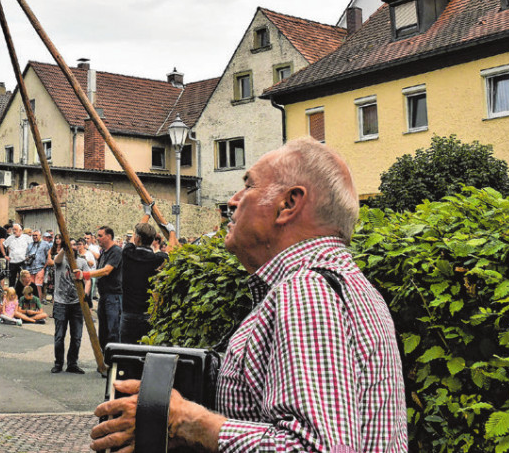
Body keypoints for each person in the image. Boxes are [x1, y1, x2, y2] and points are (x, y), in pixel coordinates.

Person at [90, 137, 407, 452]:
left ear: (288, 204)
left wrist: (186, 420)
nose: (233, 200)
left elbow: (316, 448)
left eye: (249, 186)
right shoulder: (351, 286)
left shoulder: (307, 292)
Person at [118, 221, 174, 344]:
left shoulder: (128, 253)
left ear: (137, 239)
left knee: (126, 353)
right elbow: (172, 251)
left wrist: (147, 214)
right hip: (149, 313)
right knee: (147, 353)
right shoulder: (158, 259)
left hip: (129, 313)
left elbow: (134, 237)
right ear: (153, 240)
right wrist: (172, 232)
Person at [75, 226, 121, 353]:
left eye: (100, 236)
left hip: (114, 297)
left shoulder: (116, 251)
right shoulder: (104, 253)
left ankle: (114, 362)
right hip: (104, 296)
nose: (98, 238)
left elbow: (106, 271)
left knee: (113, 331)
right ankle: (105, 360)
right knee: (103, 332)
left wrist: (86, 275)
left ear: (109, 236)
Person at [50, 240, 88, 374]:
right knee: (59, 336)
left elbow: (87, 279)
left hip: (76, 303)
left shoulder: (82, 262)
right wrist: (64, 248)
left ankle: (72, 363)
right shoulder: (61, 260)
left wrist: (86, 294)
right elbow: (56, 260)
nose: (73, 247)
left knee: (76, 336)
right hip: (61, 302)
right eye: (70, 245)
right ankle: (58, 363)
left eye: (74, 245)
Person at [3, 223, 32, 288]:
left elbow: (32, 246)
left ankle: (22, 293)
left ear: (20, 230)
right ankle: (12, 294)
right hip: (12, 262)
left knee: (23, 279)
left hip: (22, 261)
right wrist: (5, 255)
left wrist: (29, 255)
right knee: (11, 280)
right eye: (13, 229)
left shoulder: (26, 237)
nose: (14, 231)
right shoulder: (10, 238)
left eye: (16, 229)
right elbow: (3, 245)